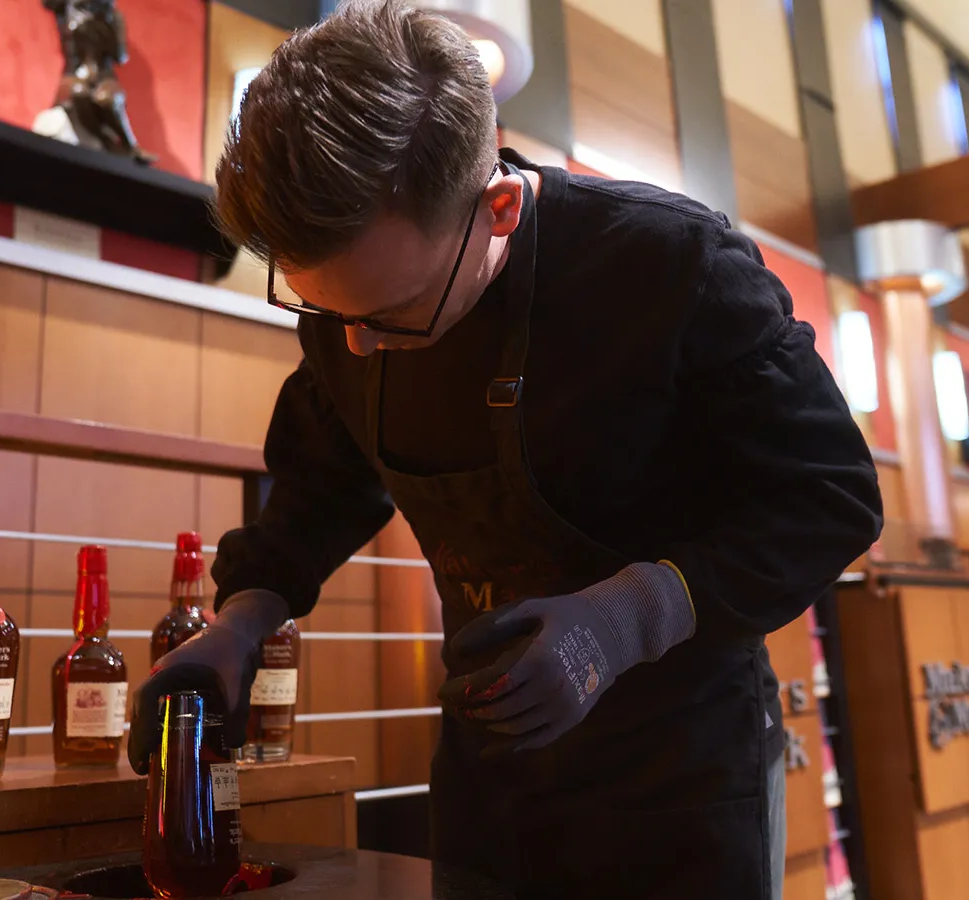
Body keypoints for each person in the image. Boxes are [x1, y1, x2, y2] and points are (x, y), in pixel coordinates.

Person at [130, 2, 883, 897]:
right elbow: (321, 479)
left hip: (677, 776)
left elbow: (829, 495)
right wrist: (243, 620)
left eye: (389, 316)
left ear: (495, 210)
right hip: (490, 771)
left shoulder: (670, 265)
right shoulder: (354, 309)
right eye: (326, 314)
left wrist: (627, 615)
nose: (358, 347)